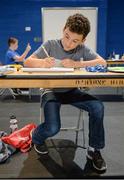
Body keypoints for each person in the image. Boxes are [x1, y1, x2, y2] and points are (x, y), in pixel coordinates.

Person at [25, 13, 107, 171]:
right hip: (51, 91)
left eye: (75, 41)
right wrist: (42, 63)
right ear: (64, 29)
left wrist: (76, 63)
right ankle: (36, 136)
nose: (69, 43)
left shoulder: (82, 49)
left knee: (98, 107)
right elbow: (27, 62)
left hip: (72, 91)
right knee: (52, 127)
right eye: (67, 36)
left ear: (83, 40)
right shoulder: (50, 44)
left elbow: (102, 62)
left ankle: (94, 150)